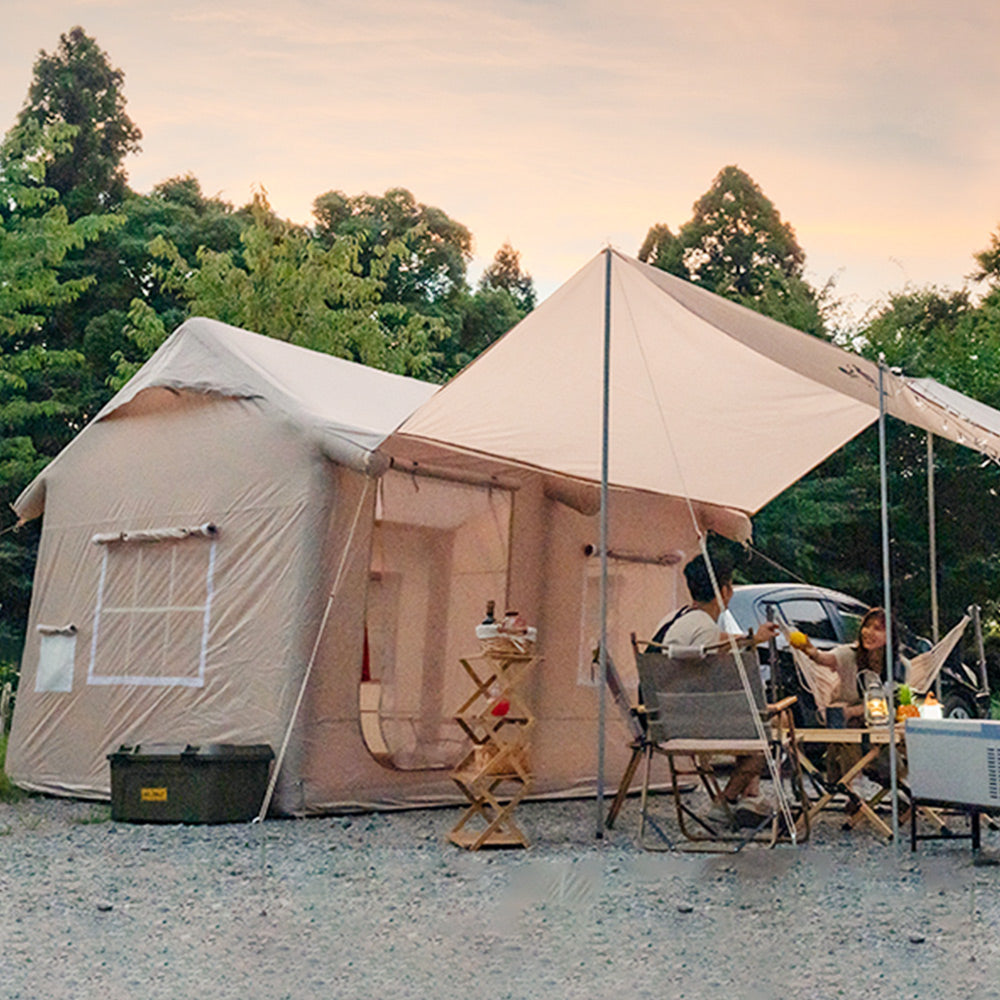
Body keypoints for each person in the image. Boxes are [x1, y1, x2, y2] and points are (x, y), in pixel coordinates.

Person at [653, 553, 779, 829]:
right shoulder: (706, 628)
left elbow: (711, 642)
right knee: (763, 740)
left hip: (659, 719)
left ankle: (747, 799)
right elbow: (714, 678)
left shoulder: (678, 619)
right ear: (724, 591)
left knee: (748, 725)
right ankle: (726, 801)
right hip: (689, 726)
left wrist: (751, 638)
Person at [796, 606, 901, 790]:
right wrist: (810, 651)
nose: (868, 632)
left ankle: (898, 788)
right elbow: (824, 658)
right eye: (867, 626)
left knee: (896, 737)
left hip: (880, 726)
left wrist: (853, 711)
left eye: (878, 628)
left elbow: (893, 703)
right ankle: (853, 787)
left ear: (890, 636)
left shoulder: (898, 666)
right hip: (848, 726)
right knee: (846, 727)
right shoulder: (849, 654)